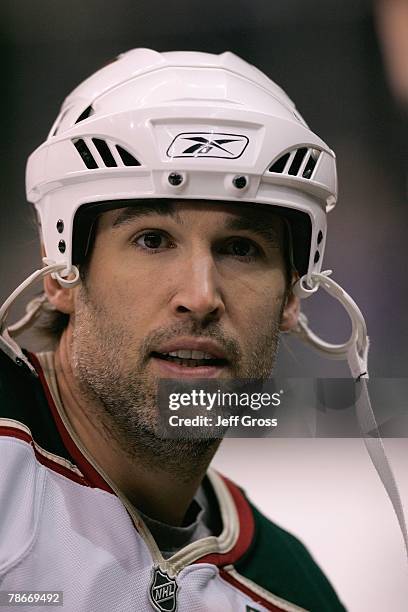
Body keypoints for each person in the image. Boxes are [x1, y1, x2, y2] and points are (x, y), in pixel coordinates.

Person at [0, 48, 381, 612]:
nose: (201, 297)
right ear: (61, 274)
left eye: (240, 248)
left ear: (291, 295)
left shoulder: (294, 592)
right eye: (152, 239)